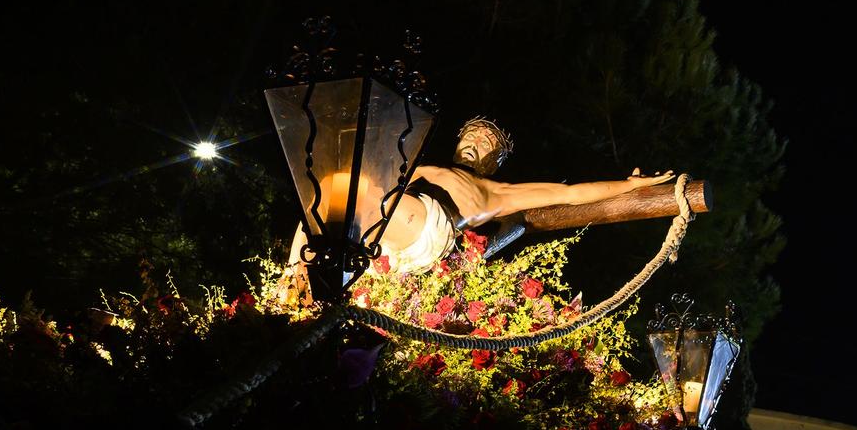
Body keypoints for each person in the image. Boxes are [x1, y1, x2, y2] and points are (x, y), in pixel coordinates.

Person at [287, 116, 675, 280]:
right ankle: (294, 278)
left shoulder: (497, 192)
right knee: (327, 194)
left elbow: (572, 195)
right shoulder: (426, 167)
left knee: (358, 193)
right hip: (387, 234)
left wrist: (629, 186)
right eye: (471, 135)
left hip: (429, 229)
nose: (476, 142)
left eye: (488, 142)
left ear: (495, 162)